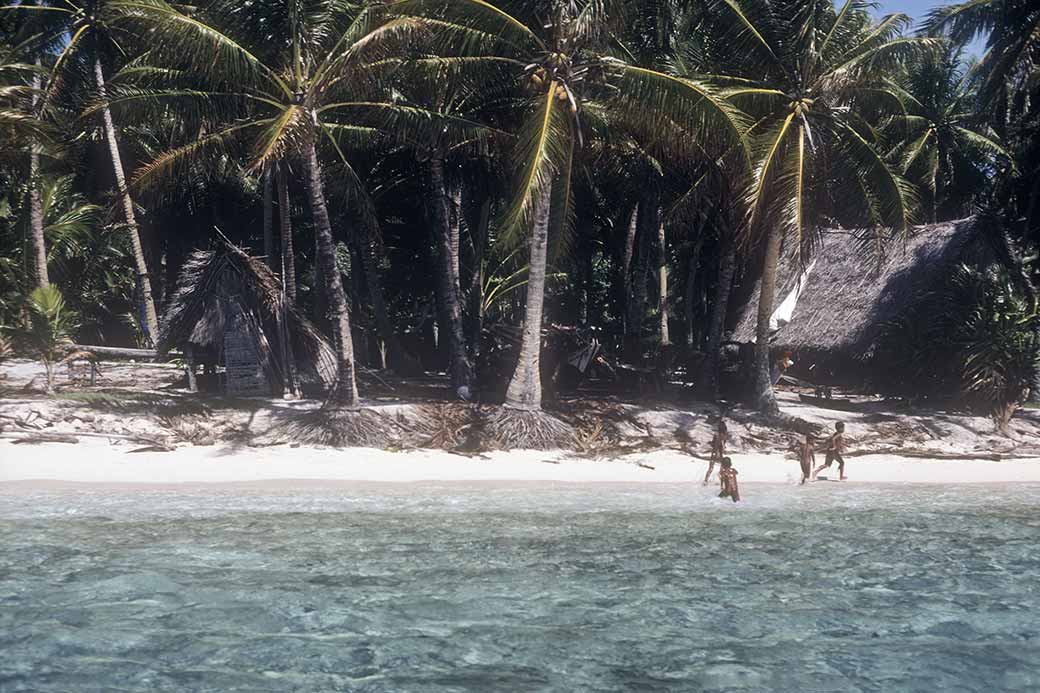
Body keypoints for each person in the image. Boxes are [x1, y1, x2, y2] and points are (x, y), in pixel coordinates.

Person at [705, 420, 728, 485]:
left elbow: (714, 444)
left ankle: (706, 480)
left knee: (711, 467)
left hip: (715, 452)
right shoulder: (722, 436)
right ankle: (721, 480)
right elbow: (722, 445)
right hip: (718, 453)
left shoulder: (717, 435)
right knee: (721, 466)